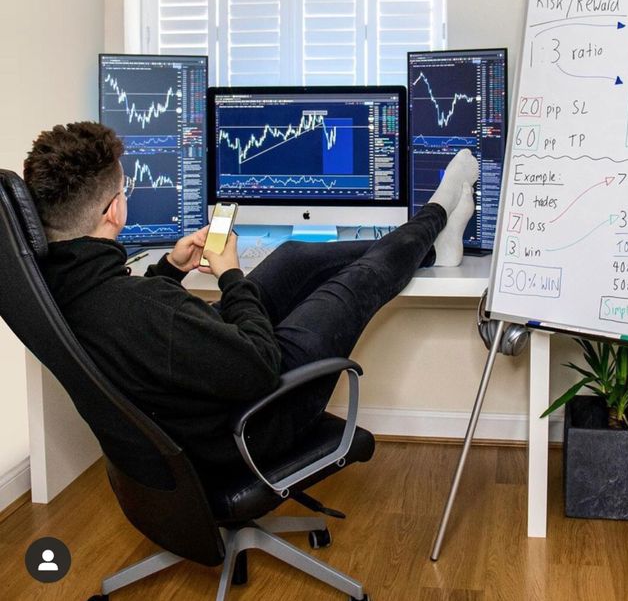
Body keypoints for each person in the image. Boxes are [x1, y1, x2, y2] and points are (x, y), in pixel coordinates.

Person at [24, 121, 478, 475]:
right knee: (354, 284)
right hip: (250, 423)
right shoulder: (144, 307)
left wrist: (172, 268)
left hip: (193, 401)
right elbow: (260, 363)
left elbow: (139, 322)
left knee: (293, 256)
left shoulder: (50, 285)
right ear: (115, 210)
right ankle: (436, 212)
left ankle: (430, 244)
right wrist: (230, 273)